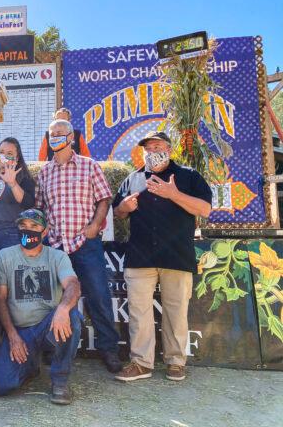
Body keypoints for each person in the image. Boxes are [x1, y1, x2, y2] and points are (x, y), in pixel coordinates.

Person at [113, 131, 212, 382]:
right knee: (139, 312)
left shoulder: (188, 176)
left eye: (157, 145)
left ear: (168, 149)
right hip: (139, 257)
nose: (152, 150)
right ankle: (141, 363)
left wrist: (173, 194)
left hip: (176, 256)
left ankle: (176, 362)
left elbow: (205, 209)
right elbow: (118, 212)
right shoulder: (133, 178)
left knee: (176, 311)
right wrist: (124, 207)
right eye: (147, 147)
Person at [35, 119, 122, 373]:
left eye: (61, 133)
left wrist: (96, 225)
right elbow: (40, 207)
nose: (56, 138)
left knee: (98, 296)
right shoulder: (45, 172)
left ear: (71, 137)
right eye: (52, 134)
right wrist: (45, 230)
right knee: (53, 300)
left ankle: (109, 350)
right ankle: (55, 349)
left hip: (85, 244)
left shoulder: (89, 166)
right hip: (56, 247)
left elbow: (104, 198)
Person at [0, 209, 82, 405]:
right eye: (23, 226)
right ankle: (30, 365)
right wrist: (13, 336)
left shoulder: (57, 256)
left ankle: (60, 381)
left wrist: (63, 309)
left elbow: (73, 285)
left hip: (49, 326)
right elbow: (0, 298)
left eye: (34, 226)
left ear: (45, 231)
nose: (28, 230)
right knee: (0, 386)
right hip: (20, 331)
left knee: (72, 316)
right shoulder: (5, 256)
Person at [0, 137, 36, 253]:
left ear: (17, 157)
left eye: (9, 153)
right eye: (1, 152)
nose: (4, 156)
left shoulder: (23, 178)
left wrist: (12, 183)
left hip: (9, 234)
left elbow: (28, 204)